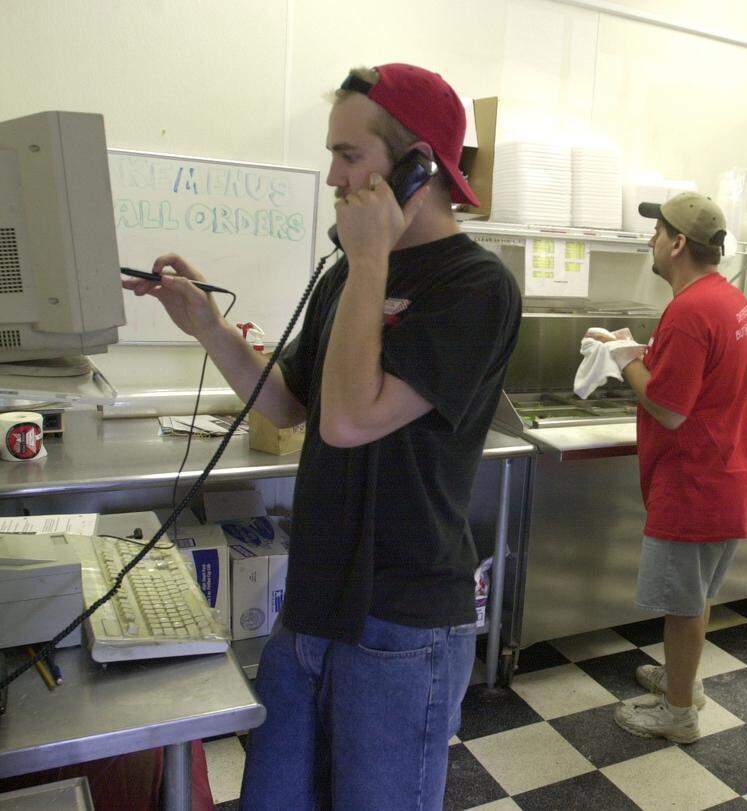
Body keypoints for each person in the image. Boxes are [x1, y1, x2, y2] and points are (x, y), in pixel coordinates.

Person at [124, 63, 521, 809]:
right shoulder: (348, 274)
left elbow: (351, 418)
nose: (333, 174)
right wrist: (208, 327)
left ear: (416, 166)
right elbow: (289, 405)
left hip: (400, 616)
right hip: (313, 599)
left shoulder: (476, 287)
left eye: (349, 154)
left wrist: (371, 257)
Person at [593, 193, 747, 743]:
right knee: (698, 596)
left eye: (657, 231)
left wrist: (624, 361)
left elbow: (668, 407)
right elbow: (696, 372)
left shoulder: (689, 310)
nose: (651, 240)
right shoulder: (725, 299)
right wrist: (639, 351)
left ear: (678, 242)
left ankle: (679, 712)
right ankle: (682, 678)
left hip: (694, 485)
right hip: (727, 476)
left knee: (683, 604)